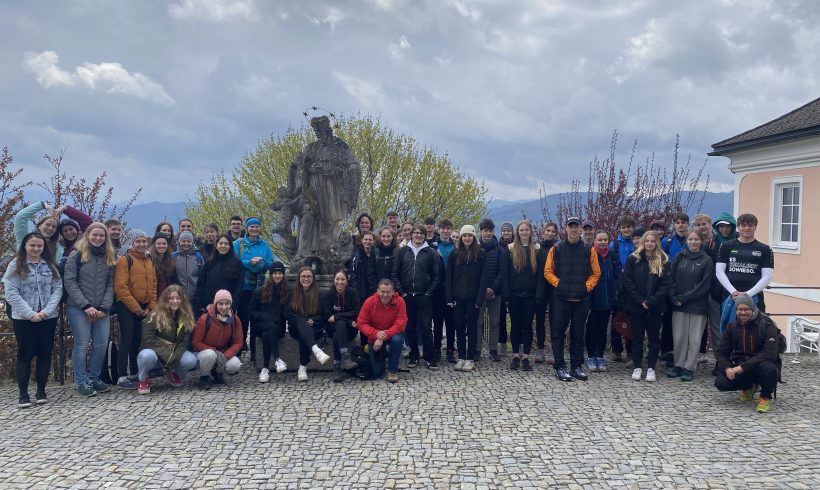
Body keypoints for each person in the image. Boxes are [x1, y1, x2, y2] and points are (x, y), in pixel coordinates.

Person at [3, 232, 63, 408]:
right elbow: (11, 293)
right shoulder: (15, 265)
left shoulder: (50, 266)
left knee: (45, 353)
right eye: (32, 246)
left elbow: (57, 289)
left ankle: (41, 391)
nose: (36, 249)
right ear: (25, 247)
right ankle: (23, 394)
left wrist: (45, 312)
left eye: (39, 246)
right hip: (23, 318)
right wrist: (30, 313)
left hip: (47, 316)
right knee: (24, 355)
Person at [544, 217, 601, 381]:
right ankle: (560, 366)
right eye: (571, 226)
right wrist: (558, 284)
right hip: (560, 299)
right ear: (566, 229)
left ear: (581, 229)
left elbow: (596, 273)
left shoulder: (588, 250)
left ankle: (576, 366)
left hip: (581, 299)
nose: (574, 230)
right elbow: (548, 271)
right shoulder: (556, 248)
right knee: (558, 334)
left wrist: (586, 287)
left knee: (578, 334)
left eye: (576, 227)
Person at [64, 223, 117, 397]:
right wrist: (85, 305)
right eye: (95, 235)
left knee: (101, 345)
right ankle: (81, 381)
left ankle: (94, 378)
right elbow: (70, 282)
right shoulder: (76, 255)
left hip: (102, 309)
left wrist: (104, 307)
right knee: (81, 345)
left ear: (105, 238)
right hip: (79, 308)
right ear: (88, 235)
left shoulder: (109, 256)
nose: (98, 238)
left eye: (101, 236)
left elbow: (111, 284)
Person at [714, 294, 781, 413]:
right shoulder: (732, 327)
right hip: (741, 366)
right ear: (736, 311)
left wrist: (742, 367)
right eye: (740, 309)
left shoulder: (767, 325)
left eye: (746, 309)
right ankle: (750, 386)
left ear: (753, 308)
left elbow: (770, 353)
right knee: (720, 383)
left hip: (761, 365)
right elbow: (720, 352)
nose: (743, 312)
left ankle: (765, 396)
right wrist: (727, 368)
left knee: (769, 369)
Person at [621, 231, 672, 382]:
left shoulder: (663, 260)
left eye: (652, 241)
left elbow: (665, 285)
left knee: (654, 339)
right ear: (643, 242)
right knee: (636, 337)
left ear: (657, 242)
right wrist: (640, 300)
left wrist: (651, 301)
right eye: (647, 241)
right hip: (637, 305)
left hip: (655, 306)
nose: (649, 244)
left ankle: (651, 368)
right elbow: (628, 282)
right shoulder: (633, 259)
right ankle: (637, 367)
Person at [392, 224, 441, 369]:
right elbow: (395, 273)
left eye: (421, 233)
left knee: (426, 327)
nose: (418, 235)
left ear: (425, 236)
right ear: (411, 235)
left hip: (424, 295)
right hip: (407, 296)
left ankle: (429, 357)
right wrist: (402, 292)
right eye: (416, 233)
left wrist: (429, 293)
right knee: (410, 327)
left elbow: (437, 276)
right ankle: (414, 355)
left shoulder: (431, 253)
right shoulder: (402, 252)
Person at [114, 230, 157, 389]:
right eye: (138, 241)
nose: (141, 244)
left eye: (144, 241)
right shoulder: (125, 260)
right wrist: (136, 308)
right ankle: (121, 375)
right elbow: (121, 287)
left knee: (138, 339)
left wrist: (150, 306)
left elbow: (153, 285)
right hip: (126, 305)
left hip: (144, 306)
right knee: (126, 339)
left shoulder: (149, 259)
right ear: (132, 243)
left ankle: (134, 371)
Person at [668, 231, 714, 381]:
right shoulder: (680, 257)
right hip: (678, 304)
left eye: (696, 239)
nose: (693, 242)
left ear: (701, 241)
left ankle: (689, 367)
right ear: (687, 241)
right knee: (679, 337)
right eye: (690, 239)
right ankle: (678, 365)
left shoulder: (706, 260)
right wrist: (674, 297)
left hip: (697, 305)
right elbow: (670, 277)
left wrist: (685, 297)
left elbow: (705, 285)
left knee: (694, 339)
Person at [135, 285, 197, 394]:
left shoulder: (186, 316)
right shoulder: (154, 315)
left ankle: (172, 372)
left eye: (178, 298)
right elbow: (147, 340)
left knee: (191, 360)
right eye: (171, 298)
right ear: (165, 299)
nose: (175, 301)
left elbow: (184, 342)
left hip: (174, 351)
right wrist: (168, 355)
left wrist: (173, 357)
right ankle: (143, 379)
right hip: (154, 351)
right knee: (145, 356)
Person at [716, 213, 773, 328]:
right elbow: (719, 271)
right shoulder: (726, 246)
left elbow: (767, 276)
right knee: (729, 331)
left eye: (750, 225)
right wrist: (733, 292)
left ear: (755, 227)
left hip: (755, 297)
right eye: (743, 225)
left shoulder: (765, 249)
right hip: (730, 296)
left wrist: (747, 294)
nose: (746, 228)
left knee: (756, 331)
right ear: (738, 227)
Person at [445, 225, 485, 372]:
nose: (467, 238)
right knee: (460, 328)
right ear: (461, 238)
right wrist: (449, 298)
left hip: (473, 299)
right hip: (458, 298)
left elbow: (483, 279)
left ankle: (470, 359)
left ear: (474, 237)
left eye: (469, 235)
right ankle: (461, 356)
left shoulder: (480, 254)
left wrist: (479, 300)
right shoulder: (454, 254)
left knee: (472, 328)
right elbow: (448, 277)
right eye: (464, 236)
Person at [233, 217, 275, 354]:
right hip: (243, 286)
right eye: (252, 227)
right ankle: (240, 344)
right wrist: (249, 262)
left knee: (257, 317)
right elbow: (234, 262)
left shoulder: (265, 245)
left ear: (260, 228)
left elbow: (271, 263)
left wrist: (262, 262)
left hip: (259, 286)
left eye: (257, 226)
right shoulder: (238, 244)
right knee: (242, 317)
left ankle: (255, 348)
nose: (254, 229)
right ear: (247, 228)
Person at [504, 220, 541, 371]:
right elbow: (506, 273)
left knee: (527, 326)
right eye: (521, 230)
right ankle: (514, 355)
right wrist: (507, 293)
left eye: (526, 230)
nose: (524, 233)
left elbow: (539, 275)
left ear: (530, 231)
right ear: (517, 233)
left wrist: (538, 293)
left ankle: (525, 356)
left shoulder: (536, 249)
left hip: (530, 295)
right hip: (515, 294)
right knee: (515, 325)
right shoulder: (511, 249)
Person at [285, 267, 332, 381]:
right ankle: (316, 350)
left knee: (304, 335)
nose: (306, 279)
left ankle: (302, 367)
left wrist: (314, 320)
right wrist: (302, 320)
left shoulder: (320, 294)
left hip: (314, 328)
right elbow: (287, 313)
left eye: (309, 276)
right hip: (295, 328)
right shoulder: (291, 292)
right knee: (301, 322)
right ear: (299, 278)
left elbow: (323, 314)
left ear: (313, 278)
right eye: (303, 276)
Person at [357, 279, 407, 383]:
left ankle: (392, 370)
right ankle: (382, 356)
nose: (385, 295)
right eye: (382, 291)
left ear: (393, 292)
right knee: (376, 373)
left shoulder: (400, 302)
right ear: (377, 291)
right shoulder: (369, 302)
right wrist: (376, 334)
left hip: (392, 334)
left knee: (398, 340)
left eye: (388, 292)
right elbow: (361, 322)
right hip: (374, 334)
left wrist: (383, 335)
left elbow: (400, 323)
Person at [192, 289, 244, 389]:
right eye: (221, 303)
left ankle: (216, 372)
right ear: (216, 304)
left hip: (223, 351)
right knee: (210, 355)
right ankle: (204, 377)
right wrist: (215, 352)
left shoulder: (234, 319)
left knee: (235, 364)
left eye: (227, 303)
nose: (224, 307)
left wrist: (226, 355)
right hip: (204, 352)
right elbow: (196, 342)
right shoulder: (205, 319)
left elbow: (238, 342)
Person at [249, 262, 289, 381]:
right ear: (271, 275)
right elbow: (251, 311)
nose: (277, 276)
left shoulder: (285, 291)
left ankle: (265, 369)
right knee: (268, 329)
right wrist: (267, 317)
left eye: (280, 273)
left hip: (277, 327)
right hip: (261, 324)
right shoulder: (259, 291)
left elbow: (286, 312)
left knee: (269, 333)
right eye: (275, 273)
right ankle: (277, 359)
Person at [585, 230, 618, 373]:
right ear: (595, 241)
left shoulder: (612, 255)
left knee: (603, 329)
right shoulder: (590, 254)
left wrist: (614, 293)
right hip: (593, 298)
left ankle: (600, 356)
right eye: (600, 240)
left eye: (605, 239)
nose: (603, 242)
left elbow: (616, 276)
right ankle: (591, 356)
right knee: (592, 329)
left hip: (607, 299)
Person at [321, 270, 363, 382]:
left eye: (343, 279)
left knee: (337, 335)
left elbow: (356, 312)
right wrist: (348, 320)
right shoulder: (327, 295)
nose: (340, 282)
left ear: (347, 280)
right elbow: (327, 316)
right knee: (339, 325)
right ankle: (345, 357)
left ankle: (337, 367)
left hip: (350, 330)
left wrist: (338, 317)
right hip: (332, 327)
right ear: (333, 280)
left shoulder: (353, 293)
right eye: (337, 279)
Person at [476, 218, 506, 362]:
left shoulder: (499, 250)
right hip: (479, 293)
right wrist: (483, 289)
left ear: (493, 232)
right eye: (485, 231)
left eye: (490, 231)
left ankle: (493, 349)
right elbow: (474, 272)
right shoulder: (475, 249)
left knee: (495, 322)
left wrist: (493, 288)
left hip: (495, 292)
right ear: (481, 232)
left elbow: (502, 272)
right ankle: (477, 349)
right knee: (478, 322)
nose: (487, 233)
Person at [194, 235, 243, 317]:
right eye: (221, 243)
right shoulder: (209, 262)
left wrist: (232, 306)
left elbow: (239, 287)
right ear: (216, 245)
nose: (223, 246)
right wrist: (201, 305)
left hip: (227, 307)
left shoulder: (237, 263)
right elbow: (201, 284)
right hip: (209, 306)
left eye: (226, 243)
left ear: (230, 246)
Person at [609, 216, 637, 363]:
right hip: (617, 287)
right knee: (616, 319)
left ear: (633, 227)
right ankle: (617, 350)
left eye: (629, 227)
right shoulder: (614, 244)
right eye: (624, 227)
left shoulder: (637, 243)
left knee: (631, 320)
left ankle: (631, 351)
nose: (626, 229)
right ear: (620, 228)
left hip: (632, 287)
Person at [533, 221, 558, 364]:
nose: (550, 233)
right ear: (543, 232)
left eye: (553, 231)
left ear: (556, 234)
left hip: (555, 289)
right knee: (540, 321)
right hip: (540, 289)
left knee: (555, 321)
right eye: (548, 231)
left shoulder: (558, 248)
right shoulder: (537, 249)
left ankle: (554, 351)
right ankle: (540, 350)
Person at [434, 219, 456, 363]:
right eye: (443, 228)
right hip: (437, 289)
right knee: (437, 322)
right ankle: (436, 349)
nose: (445, 231)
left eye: (448, 228)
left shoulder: (456, 248)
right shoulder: (433, 247)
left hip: (453, 289)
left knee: (451, 322)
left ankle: (450, 350)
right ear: (439, 230)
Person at [173, 231, 204, 312]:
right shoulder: (174, 257)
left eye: (189, 241)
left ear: (192, 242)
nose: (186, 243)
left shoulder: (198, 257)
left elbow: (203, 278)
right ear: (179, 242)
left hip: (195, 300)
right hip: (177, 299)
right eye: (183, 241)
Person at [497, 222, 514, 354]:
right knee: (501, 317)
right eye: (504, 230)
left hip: (514, 286)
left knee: (515, 318)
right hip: (501, 287)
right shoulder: (497, 247)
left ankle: (516, 344)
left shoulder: (517, 246)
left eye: (508, 230)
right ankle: (502, 343)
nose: (506, 232)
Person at [348, 231, 378, 299]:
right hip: (360, 290)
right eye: (366, 239)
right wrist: (356, 288)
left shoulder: (376, 255)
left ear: (373, 241)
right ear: (362, 240)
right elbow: (352, 273)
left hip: (373, 289)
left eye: (370, 240)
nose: (368, 241)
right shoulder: (356, 255)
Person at [149, 233, 176, 299]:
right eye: (158, 243)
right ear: (154, 245)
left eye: (164, 244)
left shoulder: (170, 261)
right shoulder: (149, 260)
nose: (161, 246)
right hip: (152, 298)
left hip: (166, 298)